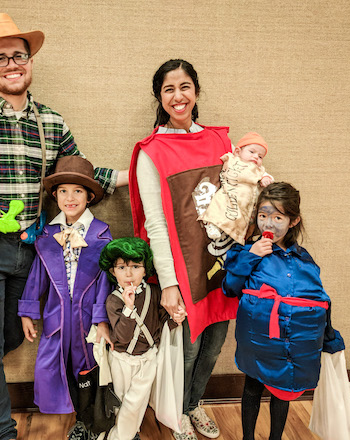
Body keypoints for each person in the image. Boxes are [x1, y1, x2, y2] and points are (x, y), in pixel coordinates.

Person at [0, 13, 127, 440]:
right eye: (0, 58)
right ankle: (2, 433)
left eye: (18, 55)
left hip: (31, 249)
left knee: (13, 336)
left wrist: (143, 169)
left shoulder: (51, 123)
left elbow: (81, 174)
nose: (11, 64)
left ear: (30, 60)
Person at [129, 59, 239, 440]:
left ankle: (194, 405)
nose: (179, 96)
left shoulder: (220, 142)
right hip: (182, 269)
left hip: (223, 262)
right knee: (188, 351)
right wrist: (171, 283)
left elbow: (239, 197)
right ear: (159, 97)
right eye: (169, 89)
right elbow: (155, 223)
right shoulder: (151, 152)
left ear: (196, 91)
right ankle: (175, 414)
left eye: (185, 87)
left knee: (215, 346)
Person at [222, 182, 345, 440]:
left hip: (291, 346)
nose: (269, 224)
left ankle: (276, 437)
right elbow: (230, 288)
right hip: (259, 342)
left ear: (293, 221)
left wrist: (329, 338)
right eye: (263, 215)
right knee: (252, 387)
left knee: (283, 391)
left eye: (278, 217)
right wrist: (251, 255)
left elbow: (319, 300)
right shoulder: (248, 251)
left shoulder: (305, 259)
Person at [18, 156, 112, 440]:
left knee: (89, 369)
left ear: (90, 196)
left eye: (78, 191)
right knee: (60, 368)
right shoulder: (47, 236)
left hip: (87, 321)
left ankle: (94, 421)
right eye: (63, 191)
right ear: (55, 195)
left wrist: (101, 320)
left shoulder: (101, 234)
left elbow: (105, 282)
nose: (70, 198)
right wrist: (28, 311)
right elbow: (38, 276)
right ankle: (79, 421)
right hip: (56, 320)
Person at [98, 237, 182, 440]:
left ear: (146, 270)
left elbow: (162, 324)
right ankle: (128, 432)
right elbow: (122, 337)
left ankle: (120, 436)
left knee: (137, 401)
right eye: (121, 267)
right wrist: (128, 308)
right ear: (112, 271)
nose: (128, 273)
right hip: (121, 359)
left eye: (136, 266)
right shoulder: (113, 300)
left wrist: (176, 319)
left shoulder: (154, 293)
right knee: (121, 398)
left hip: (148, 358)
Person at [199, 131, 274, 245]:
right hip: (230, 192)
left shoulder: (258, 169)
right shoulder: (232, 158)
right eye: (252, 152)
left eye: (260, 156)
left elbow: (267, 176)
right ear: (238, 151)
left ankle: (238, 236)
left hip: (245, 198)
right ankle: (213, 225)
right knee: (219, 205)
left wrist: (265, 179)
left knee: (243, 218)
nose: (255, 157)